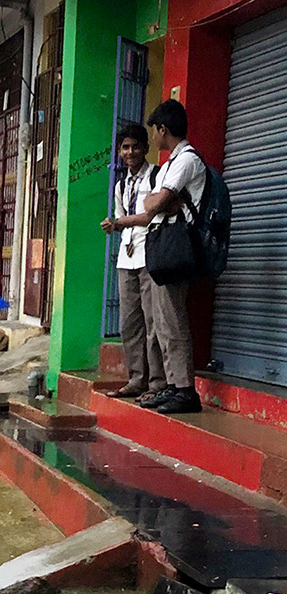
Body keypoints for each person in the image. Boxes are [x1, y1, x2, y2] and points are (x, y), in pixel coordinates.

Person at [140, 99, 205, 415]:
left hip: (176, 248)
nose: (153, 137)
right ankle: (173, 386)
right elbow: (154, 202)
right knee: (162, 323)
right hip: (163, 245)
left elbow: (154, 203)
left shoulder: (186, 161)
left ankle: (185, 391)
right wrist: (160, 201)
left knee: (173, 322)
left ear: (163, 129)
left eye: (154, 131)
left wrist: (159, 200)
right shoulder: (169, 164)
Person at [101, 123, 165, 403]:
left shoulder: (156, 177)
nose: (131, 152)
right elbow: (120, 220)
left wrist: (119, 223)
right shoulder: (120, 185)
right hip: (126, 259)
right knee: (130, 324)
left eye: (136, 146)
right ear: (119, 151)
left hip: (150, 256)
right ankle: (137, 379)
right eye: (125, 147)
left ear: (145, 148)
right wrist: (115, 225)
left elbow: (150, 216)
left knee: (153, 322)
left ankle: (158, 383)